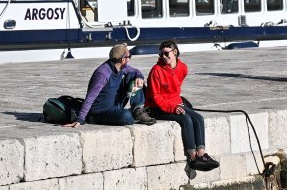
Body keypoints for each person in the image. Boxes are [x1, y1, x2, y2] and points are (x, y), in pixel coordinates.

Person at [145, 40, 218, 171]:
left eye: (166, 53)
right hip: (156, 107)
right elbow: (156, 97)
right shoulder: (156, 71)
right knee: (186, 119)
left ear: (175, 52)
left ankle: (201, 153)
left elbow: (175, 89)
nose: (164, 56)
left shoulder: (183, 68)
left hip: (174, 103)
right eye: (161, 54)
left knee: (199, 118)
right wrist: (172, 108)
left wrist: (177, 104)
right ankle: (193, 156)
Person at [65, 43, 156, 127]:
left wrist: (139, 77)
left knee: (134, 77)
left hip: (115, 107)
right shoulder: (103, 73)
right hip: (101, 112)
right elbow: (90, 97)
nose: (129, 59)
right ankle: (92, 118)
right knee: (127, 116)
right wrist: (80, 119)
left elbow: (136, 71)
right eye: (129, 56)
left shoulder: (121, 67)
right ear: (123, 59)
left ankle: (137, 110)